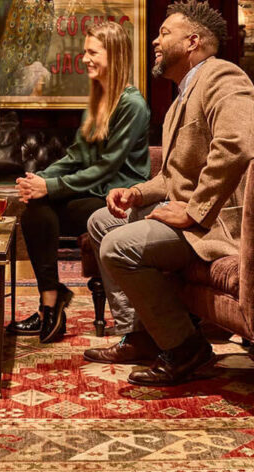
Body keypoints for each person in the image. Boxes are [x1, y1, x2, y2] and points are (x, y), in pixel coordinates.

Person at [84, 0, 254, 385]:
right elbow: (171, 176)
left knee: (118, 247)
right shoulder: (180, 98)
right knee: (102, 221)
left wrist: (193, 211)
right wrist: (135, 193)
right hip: (193, 216)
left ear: (193, 41)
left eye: (165, 32)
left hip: (218, 223)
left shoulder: (224, 77)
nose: (155, 40)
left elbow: (236, 147)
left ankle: (187, 349)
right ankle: (142, 335)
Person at [8, 21, 150, 344]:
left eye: (92, 52)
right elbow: (75, 156)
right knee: (35, 208)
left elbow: (105, 168)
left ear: (113, 55)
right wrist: (38, 180)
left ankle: (52, 305)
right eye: (84, 51)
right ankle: (50, 302)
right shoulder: (97, 100)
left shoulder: (132, 104)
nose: (84, 58)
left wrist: (51, 187)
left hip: (117, 200)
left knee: (44, 200)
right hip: (93, 192)